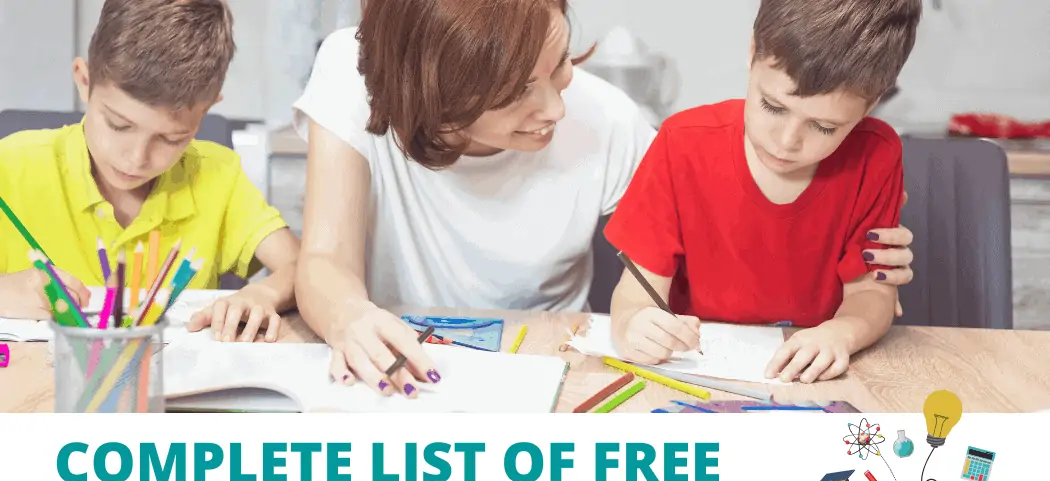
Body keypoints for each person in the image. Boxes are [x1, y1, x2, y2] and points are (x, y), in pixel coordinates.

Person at [291, 0, 915, 397]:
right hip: (397, 373)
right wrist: (347, 316)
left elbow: (697, 250)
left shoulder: (613, 121)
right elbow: (323, 260)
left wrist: (860, 286)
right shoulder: (353, 70)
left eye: (560, 63)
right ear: (431, 92)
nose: (559, 107)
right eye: (517, 93)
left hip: (551, 376)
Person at [604, 0, 923, 384]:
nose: (787, 142)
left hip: (807, 383)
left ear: (872, 103)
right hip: (692, 374)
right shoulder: (682, 144)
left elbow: (871, 294)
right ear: (753, 52)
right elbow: (636, 295)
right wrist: (633, 325)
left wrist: (842, 333)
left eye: (824, 127)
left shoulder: (877, 155)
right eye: (772, 106)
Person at [0, 0, 299, 343]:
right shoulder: (11, 166)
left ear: (207, 110)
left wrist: (262, 294)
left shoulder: (219, 176)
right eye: (118, 125)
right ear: (84, 81)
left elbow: (303, 267)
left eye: (171, 139)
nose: (136, 159)